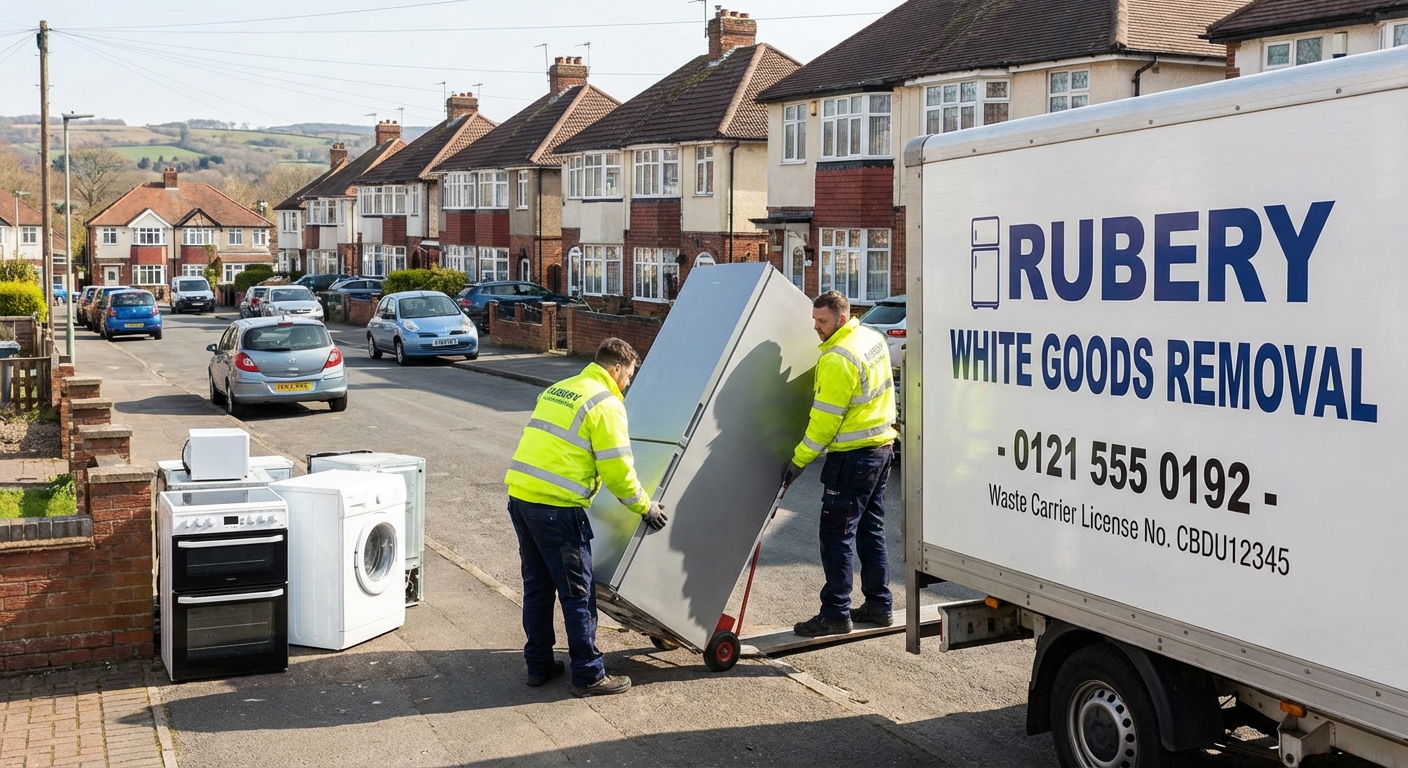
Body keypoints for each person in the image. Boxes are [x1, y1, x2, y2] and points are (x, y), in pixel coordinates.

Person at [504, 337, 669, 696]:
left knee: (537, 587)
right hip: (556, 507)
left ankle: (539, 665)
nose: (628, 383)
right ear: (615, 369)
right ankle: (590, 674)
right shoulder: (605, 402)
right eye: (629, 375)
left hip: (521, 498)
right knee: (578, 593)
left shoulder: (561, 389)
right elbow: (618, 472)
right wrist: (646, 506)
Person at [782, 290, 898, 637]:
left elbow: (824, 423)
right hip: (881, 449)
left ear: (841, 319)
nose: (816, 328)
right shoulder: (871, 337)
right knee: (869, 529)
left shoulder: (837, 358)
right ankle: (879, 605)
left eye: (822, 321)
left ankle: (835, 613)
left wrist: (798, 461)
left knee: (836, 536)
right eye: (815, 320)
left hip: (854, 457)